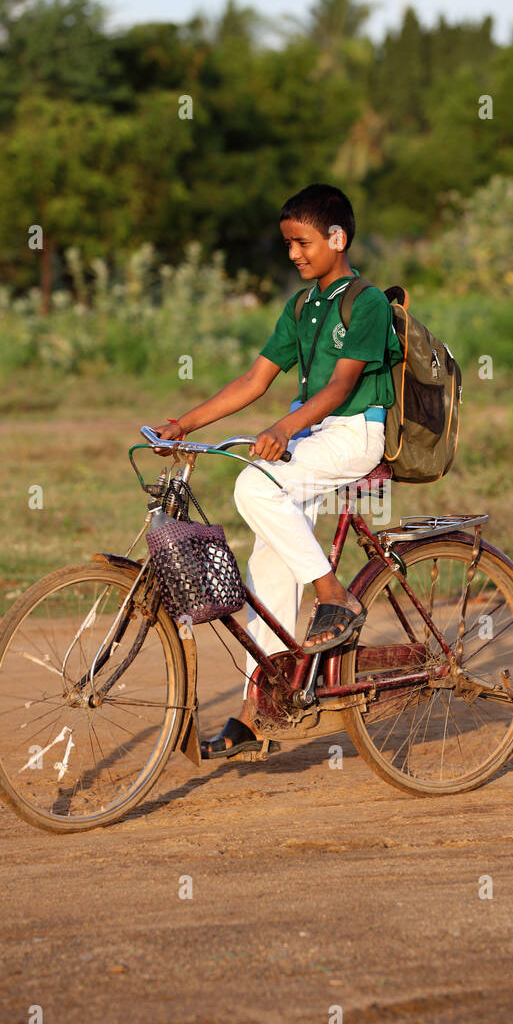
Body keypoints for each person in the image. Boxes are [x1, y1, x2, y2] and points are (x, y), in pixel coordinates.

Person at [152, 183, 401, 759]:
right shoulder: (301, 306)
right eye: (288, 243)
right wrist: (184, 424)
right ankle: (256, 711)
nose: (293, 254)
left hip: (354, 434)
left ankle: (335, 595)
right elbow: (254, 380)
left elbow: (341, 386)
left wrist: (285, 430)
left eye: (303, 242)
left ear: (337, 238)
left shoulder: (364, 303)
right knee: (267, 567)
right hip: (314, 433)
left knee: (253, 486)